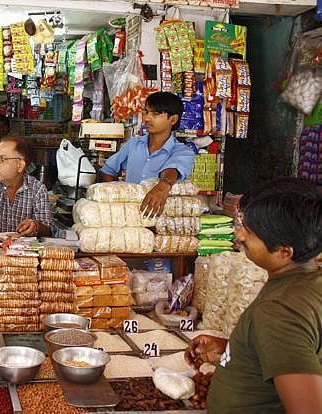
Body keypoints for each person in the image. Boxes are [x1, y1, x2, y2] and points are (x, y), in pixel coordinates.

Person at [185, 177, 322, 414]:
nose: (239, 236)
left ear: (284, 251)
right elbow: (294, 349)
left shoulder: (279, 312)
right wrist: (238, 350)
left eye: (251, 232)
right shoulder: (307, 283)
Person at [99, 91, 195, 218]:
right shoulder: (133, 144)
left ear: (173, 119)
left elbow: (172, 170)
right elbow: (108, 170)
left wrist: (162, 187)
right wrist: (116, 198)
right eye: (147, 112)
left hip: (160, 219)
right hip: (128, 218)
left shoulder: (183, 152)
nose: (147, 118)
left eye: (156, 114)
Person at [0, 136, 52, 237]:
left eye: (2, 159)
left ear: (20, 165)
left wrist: (35, 226)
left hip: (21, 246)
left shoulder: (37, 189)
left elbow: (47, 229)